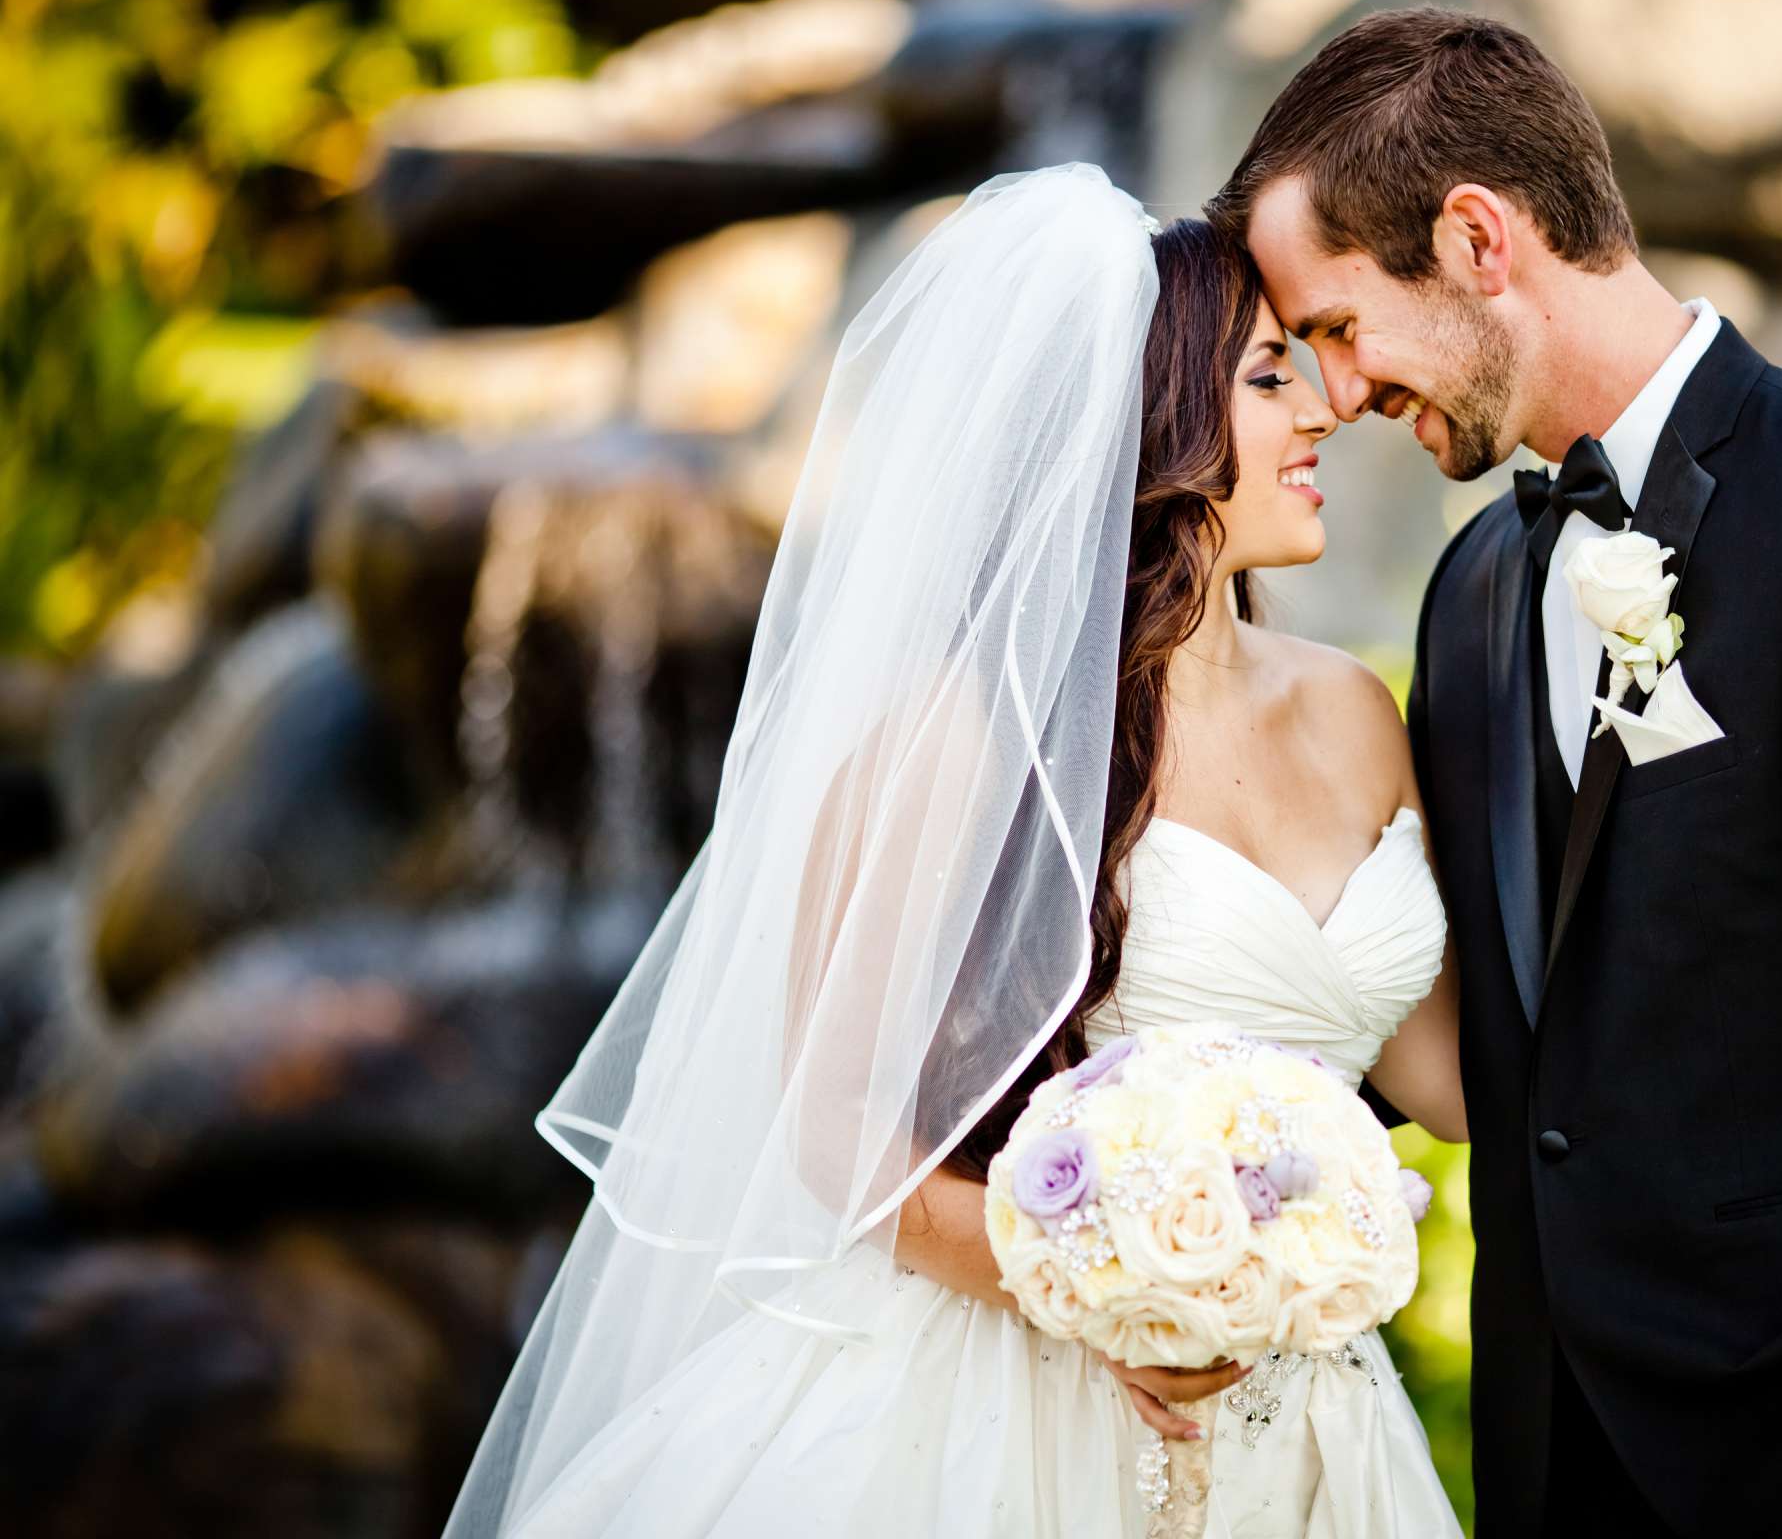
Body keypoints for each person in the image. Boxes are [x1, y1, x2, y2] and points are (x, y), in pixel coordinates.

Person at [442, 165, 1468, 1539]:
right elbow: (837, 1132)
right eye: (1273, 379)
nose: (1329, 411)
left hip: (1316, 1425)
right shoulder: (964, 740)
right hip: (1013, 1415)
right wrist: (1107, 1292)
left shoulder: (1352, 710)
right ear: (1151, 423)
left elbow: (1443, 1079)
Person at [1212, 8, 1782, 1538]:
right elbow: (1479, 1028)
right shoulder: (1478, 592)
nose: (1339, 392)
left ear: (1479, 238)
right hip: (1561, 1462)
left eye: (1340, 325)